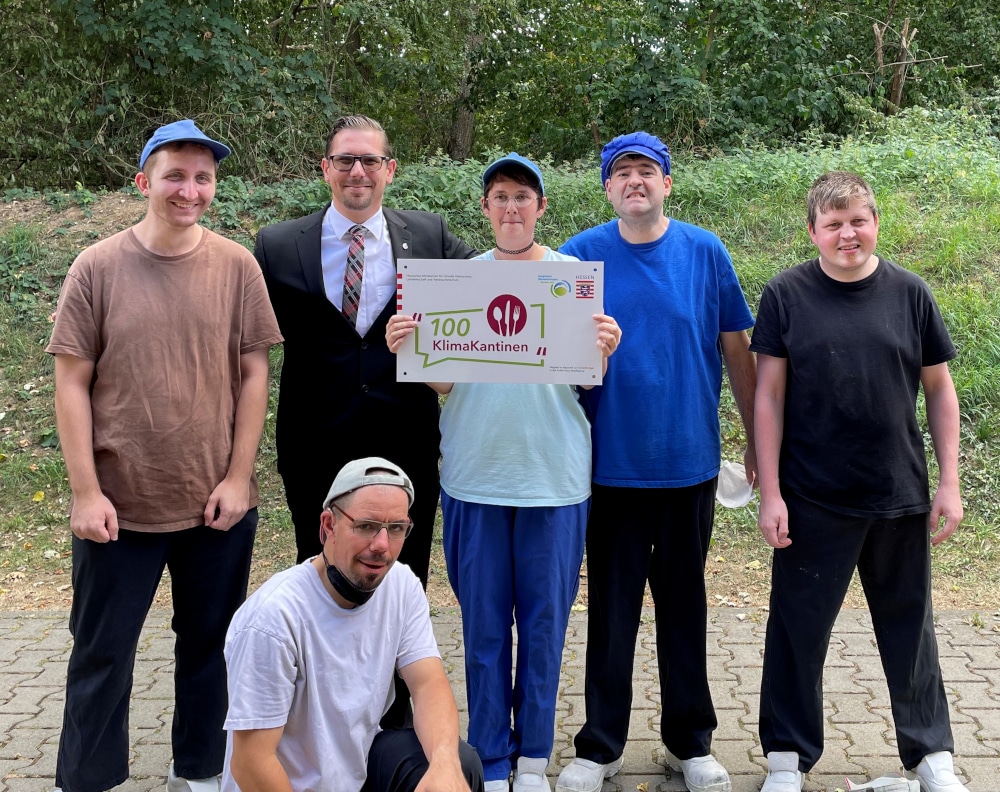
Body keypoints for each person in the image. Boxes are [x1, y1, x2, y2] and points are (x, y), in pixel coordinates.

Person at [47, 119, 283, 792]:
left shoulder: (237, 265)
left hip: (215, 503)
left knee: (209, 651)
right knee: (102, 654)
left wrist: (240, 479)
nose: (190, 189)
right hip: (119, 506)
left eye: (203, 177)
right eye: (175, 175)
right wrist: (86, 491)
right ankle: (88, 780)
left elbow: (253, 372)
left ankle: (200, 772)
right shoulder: (96, 266)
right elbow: (71, 381)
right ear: (144, 181)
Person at [387, 154, 622, 792]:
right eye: (499, 197)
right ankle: (490, 758)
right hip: (474, 477)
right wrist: (408, 344)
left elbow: (586, 381)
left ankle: (533, 759)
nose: (511, 208)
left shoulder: (572, 279)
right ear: (485, 209)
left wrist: (602, 348)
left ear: (541, 207)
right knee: (484, 627)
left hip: (554, 480)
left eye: (523, 196)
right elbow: (441, 380)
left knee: (544, 627)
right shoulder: (458, 282)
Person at [554, 132, 757, 792]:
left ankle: (688, 743)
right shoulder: (580, 255)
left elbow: (737, 350)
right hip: (607, 467)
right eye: (621, 173)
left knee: (683, 605)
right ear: (607, 188)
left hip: (688, 465)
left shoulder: (705, 251)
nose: (634, 181)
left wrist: (755, 439)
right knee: (611, 612)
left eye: (647, 171)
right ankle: (601, 745)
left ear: (668, 183)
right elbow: (549, 358)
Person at [751, 172, 967, 792]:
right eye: (833, 223)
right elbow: (767, 395)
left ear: (875, 221)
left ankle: (931, 757)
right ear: (813, 230)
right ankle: (787, 759)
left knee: (910, 626)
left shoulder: (910, 293)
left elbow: (939, 389)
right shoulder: (787, 294)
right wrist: (771, 493)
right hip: (812, 494)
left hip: (898, 492)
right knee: (798, 628)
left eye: (858, 220)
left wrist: (949, 484)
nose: (848, 233)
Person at [255, 114, 476, 578]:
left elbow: (491, 287)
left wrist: (564, 307)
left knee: (402, 575)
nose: (358, 171)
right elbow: (239, 334)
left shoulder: (428, 236)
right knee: (317, 574)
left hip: (407, 442)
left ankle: (398, 655)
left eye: (370, 160)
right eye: (345, 159)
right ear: (325, 168)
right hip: (313, 444)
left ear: (389, 169)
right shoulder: (276, 246)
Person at [221, 457, 484, 792]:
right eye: (366, 526)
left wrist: (445, 764)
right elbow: (250, 762)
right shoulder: (274, 618)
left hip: (355, 772)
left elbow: (427, 683)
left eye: (396, 529)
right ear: (328, 525)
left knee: (460, 764)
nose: (382, 546)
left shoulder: (401, 585)